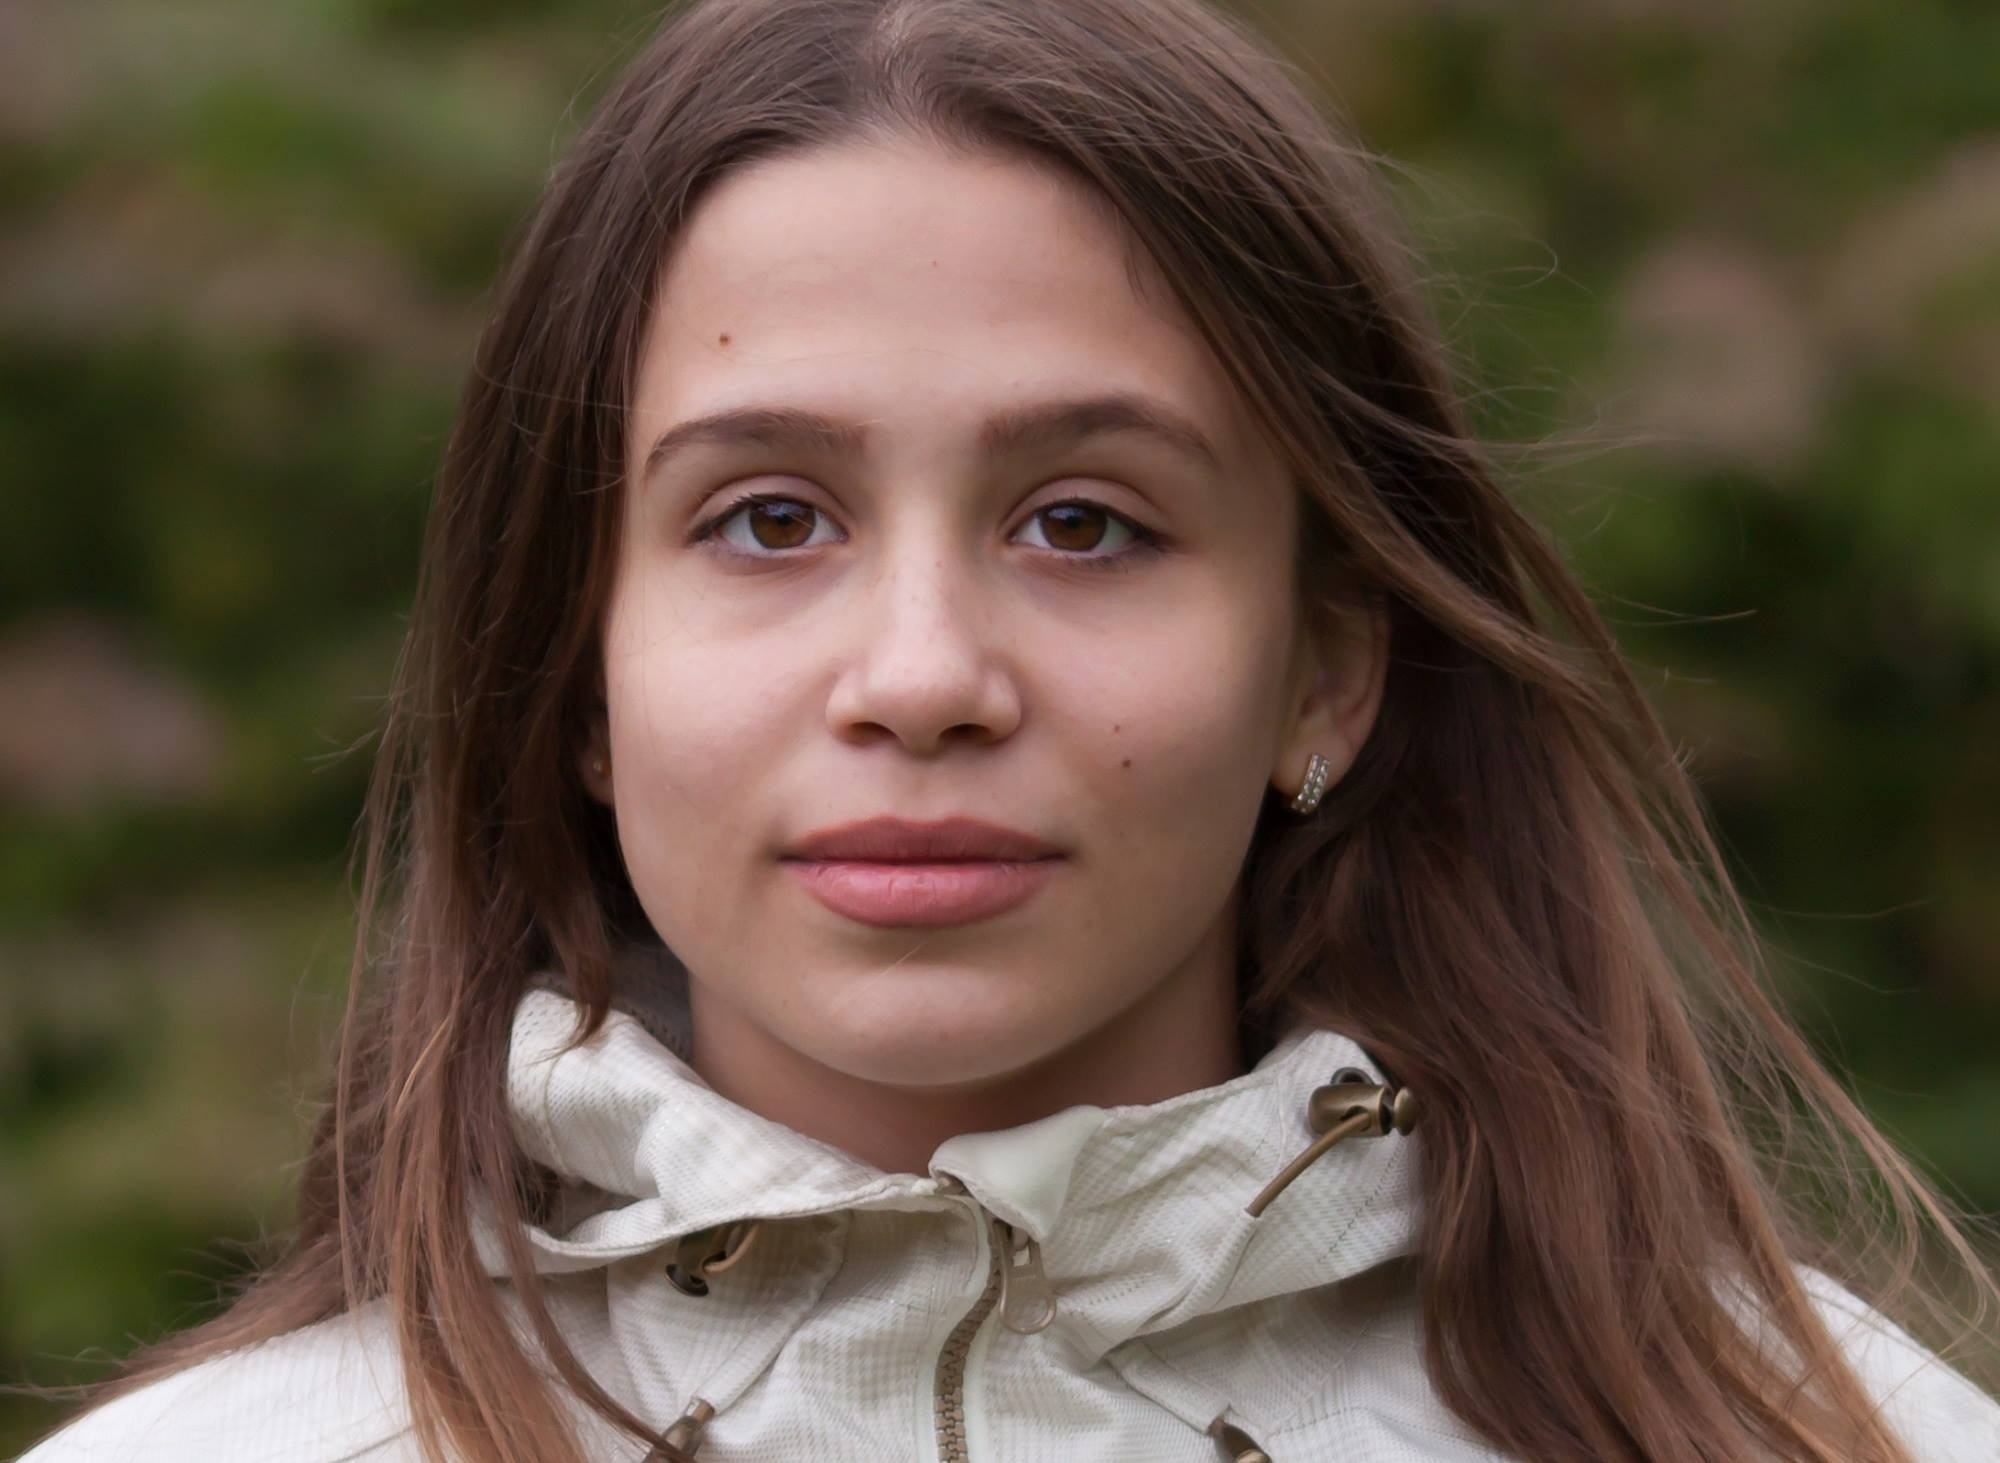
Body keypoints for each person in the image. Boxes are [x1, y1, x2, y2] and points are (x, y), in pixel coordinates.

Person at [18, 0, 2000, 1458]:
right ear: (577, 676)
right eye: (766, 519)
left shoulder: (1827, 1437)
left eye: (1084, 522)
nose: (922, 674)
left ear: (1322, 670)